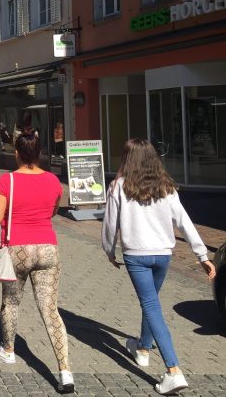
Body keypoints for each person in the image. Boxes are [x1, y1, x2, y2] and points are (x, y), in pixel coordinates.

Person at [102, 138, 216, 395]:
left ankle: (173, 371)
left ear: (127, 159)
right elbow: (184, 222)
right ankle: (143, 348)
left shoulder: (118, 186)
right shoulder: (166, 187)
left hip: (136, 255)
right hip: (163, 255)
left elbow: (110, 225)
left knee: (151, 306)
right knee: (150, 302)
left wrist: (109, 251)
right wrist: (202, 255)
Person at [0, 132, 74, 394]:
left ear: (16, 153)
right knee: (50, 310)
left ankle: (9, 350)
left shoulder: (7, 180)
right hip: (47, 248)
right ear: (39, 154)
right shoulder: (53, 181)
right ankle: (65, 370)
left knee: (11, 303)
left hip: (17, 250)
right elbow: (52, 211)